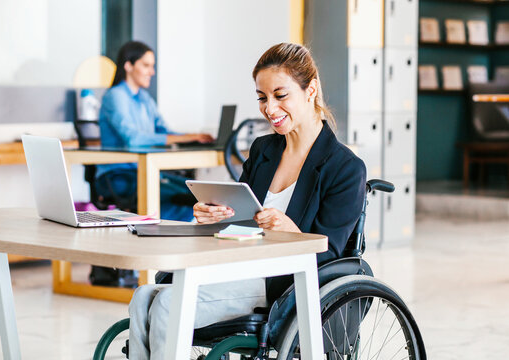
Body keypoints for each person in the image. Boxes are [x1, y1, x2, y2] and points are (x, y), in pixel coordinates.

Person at [127, 42, 366, 359]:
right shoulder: (263, 150)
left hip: (282, 284)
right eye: (262, 98)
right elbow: (242, 222)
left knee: (170, 305)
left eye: (280, 96)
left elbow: (332, 253)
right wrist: (218, 216)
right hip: (238, 269)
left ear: (311, 90)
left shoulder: (345, 168)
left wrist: (290, 230)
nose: (270, 108)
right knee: (143, 296)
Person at [95, 41, 214, 221]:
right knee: (191, 196)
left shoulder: (144, 98)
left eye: (152, 66)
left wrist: (193, 138)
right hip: (117, 175)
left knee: (199, 192)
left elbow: (164, 130)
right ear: (128, 65)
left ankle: (165, 233)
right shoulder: (115, 96)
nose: (152, 72)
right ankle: (154, 230)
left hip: (146, 171)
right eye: (146, 65)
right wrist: (186, 137)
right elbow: (133, 139)